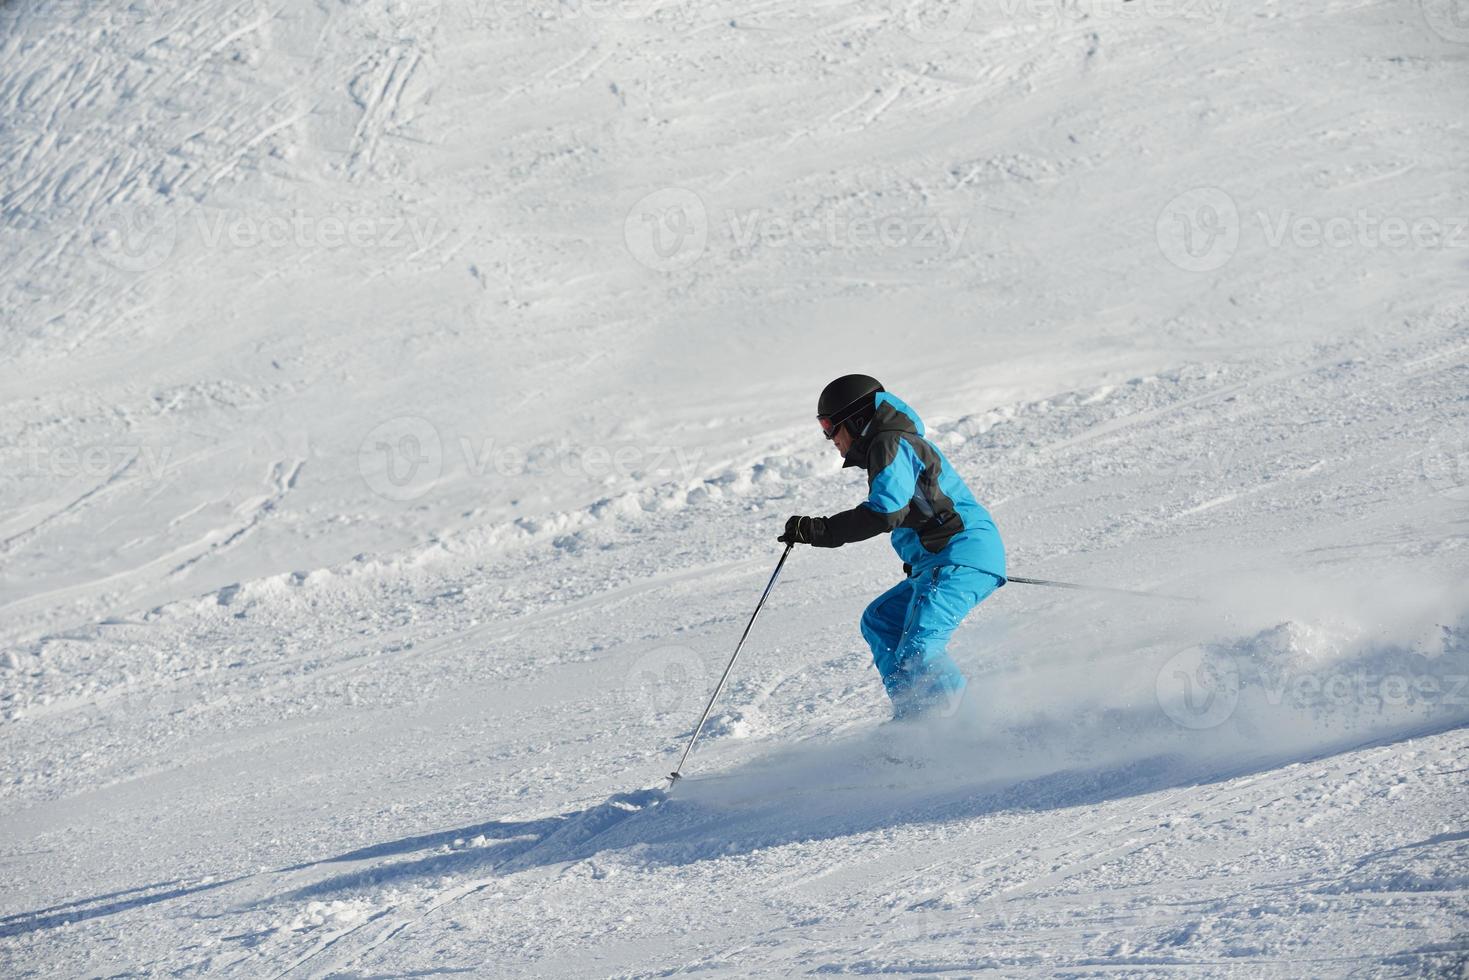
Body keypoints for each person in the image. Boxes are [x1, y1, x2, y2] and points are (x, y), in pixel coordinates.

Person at [778, 374, 1006, 720]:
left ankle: (964, 731)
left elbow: (886, 512)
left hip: (959, 555)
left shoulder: (891, 442)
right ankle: (916, 719)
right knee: (881, 620)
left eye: (829, 426)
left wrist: (819, 530)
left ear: (856, 419)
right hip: (942, 560)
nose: (829, 438)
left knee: (920, 648)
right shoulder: (891, 444)